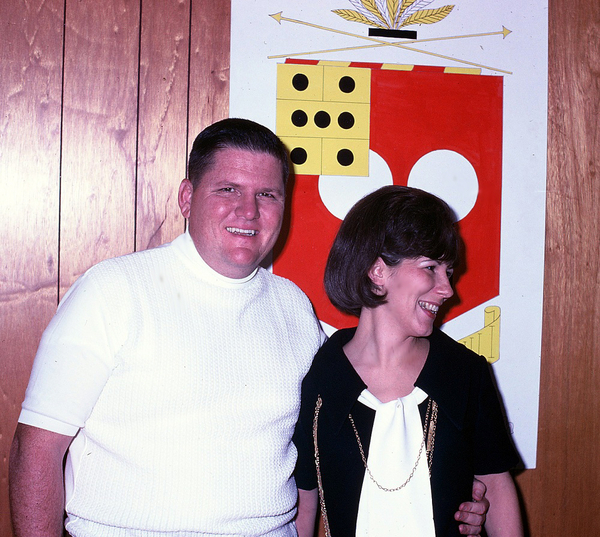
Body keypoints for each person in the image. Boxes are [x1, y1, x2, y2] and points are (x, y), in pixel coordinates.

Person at [9, 119, 489, 537]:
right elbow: (38, 447)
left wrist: (455, 491)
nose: (249, 210)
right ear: (186, 196)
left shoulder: (293, 309)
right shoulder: (112, 291)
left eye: (267, 194)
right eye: (228, 190)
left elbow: (353, 424)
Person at [293, 185, 523, 536]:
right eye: (430, 267)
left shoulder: (465, 373)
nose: (448, 289)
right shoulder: (322, 380)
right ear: (378, 271)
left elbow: (496, 483)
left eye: (448, 270)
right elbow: (304, 502)